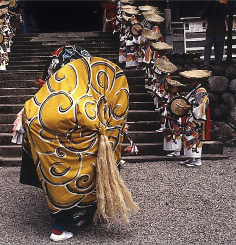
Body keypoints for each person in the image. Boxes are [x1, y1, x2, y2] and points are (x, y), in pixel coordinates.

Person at [21, 57, 138, 242]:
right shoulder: (81, 99)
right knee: (81, 182)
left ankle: (76, 220)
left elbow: (30, 113)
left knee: (59, 186)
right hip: (78, 151)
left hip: (53, 153)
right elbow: (95, 121)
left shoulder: (45, 98)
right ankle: (58, 229)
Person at [178, 70, 211, 167]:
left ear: (196, 80)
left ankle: (197, 159)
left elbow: (202, 104)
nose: (190, 81)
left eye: (191, 80)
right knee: (188, 137)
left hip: (196, 118)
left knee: (195, 137)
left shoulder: (201, 91)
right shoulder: (195, 90)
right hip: (191, 116)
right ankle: (191, 157)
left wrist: (190, 106)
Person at [162, 79, 185, 157]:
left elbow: (178, 110)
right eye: (171, 87)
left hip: (176, 118)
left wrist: (170, 114)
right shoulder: (170, 97)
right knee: (170, 133)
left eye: (173, 88)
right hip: (170, 118)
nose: (171, 89)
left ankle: (177, 150)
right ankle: (172, 149)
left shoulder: (178, 98)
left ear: (177, 88)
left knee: (176, 133)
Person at [202, 0, 228, 69]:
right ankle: (216, 64)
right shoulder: (221, 6)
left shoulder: (211, 5)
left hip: (214, 29)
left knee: (210, 47)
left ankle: (208, 64)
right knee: (217, 47)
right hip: (217, 29)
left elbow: (203, 15)